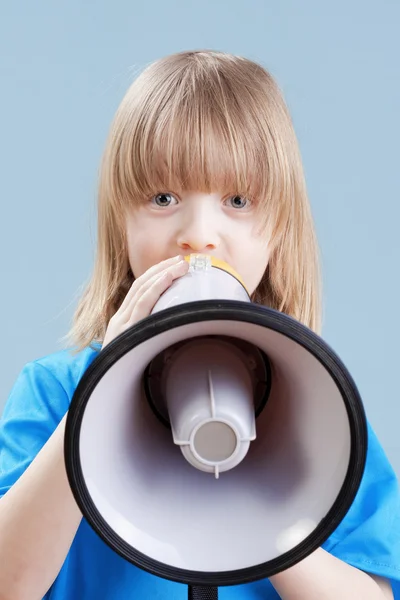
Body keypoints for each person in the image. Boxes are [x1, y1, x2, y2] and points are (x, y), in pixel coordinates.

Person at [0, 49, 399, 600]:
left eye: (237, 200)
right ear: (122, 223)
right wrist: (92, 406)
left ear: (279, 230)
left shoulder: (321, 408)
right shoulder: (53, 392)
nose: (200, 235)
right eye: (163, 198)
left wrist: (270, 519)